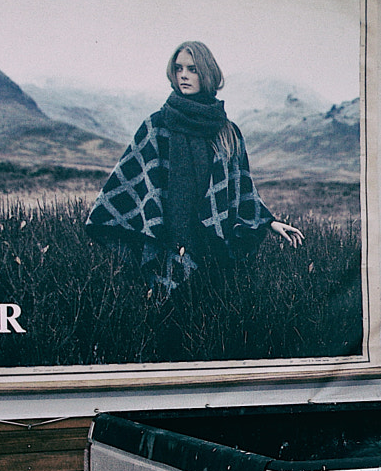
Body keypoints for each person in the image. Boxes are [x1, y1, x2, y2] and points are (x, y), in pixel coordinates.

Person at [87, 41, 303, 291]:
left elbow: (243, 189)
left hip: (213, 252)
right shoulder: (157, 126)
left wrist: (268, 222)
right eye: (178, 69)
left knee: (210, 323)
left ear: (208, 73)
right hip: (167, 244)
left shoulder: (228, 132)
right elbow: (130, 182)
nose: (184, 76)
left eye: (192, 69)